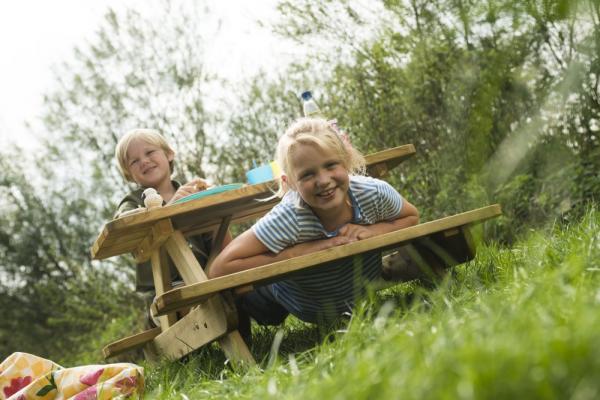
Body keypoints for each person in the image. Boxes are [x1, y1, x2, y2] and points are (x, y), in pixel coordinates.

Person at [208, 117, 419, 328]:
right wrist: (294, 254)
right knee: (266, 312)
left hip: (355, 298)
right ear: (289, 182)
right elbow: (219, 269)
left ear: (346, 161)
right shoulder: (289, 216)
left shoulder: (372, 194)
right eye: (308, 174)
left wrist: (373, 231)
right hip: (294, 301)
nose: (323, 180)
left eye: (330, 165)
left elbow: (411, 217)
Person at [114, 128, 231, 292]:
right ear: (129, 174)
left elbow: (216, 238)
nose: (144, 161)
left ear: (169, 154)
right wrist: (170, 209)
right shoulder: (134, 201)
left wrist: (211, 201)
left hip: (208, 272)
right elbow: (122, 223)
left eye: (149, 152)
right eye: (134, 161)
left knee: (222, 222)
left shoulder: (190, 192)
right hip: (167, 285)